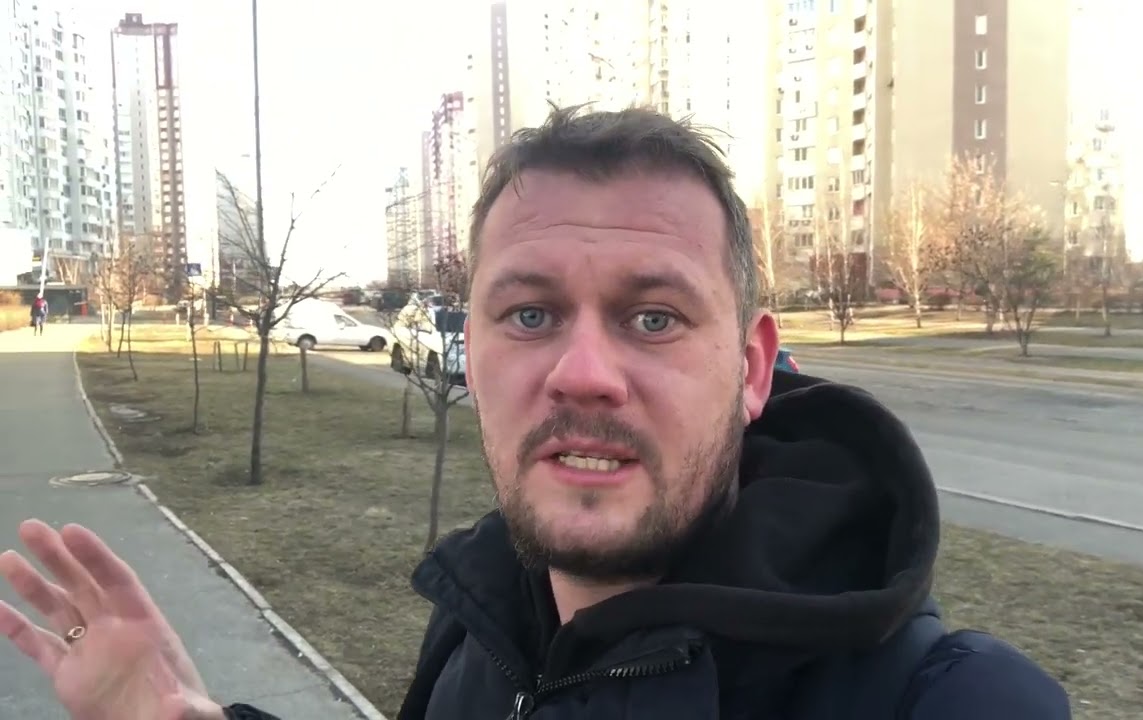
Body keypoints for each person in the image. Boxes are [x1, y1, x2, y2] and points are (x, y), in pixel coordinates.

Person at [0, 106, 1072, 719]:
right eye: (528, 314)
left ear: (752, 369)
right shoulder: (485, 620)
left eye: (653, 317)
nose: (583, 373)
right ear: (469, 351)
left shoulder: (945, 701)